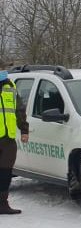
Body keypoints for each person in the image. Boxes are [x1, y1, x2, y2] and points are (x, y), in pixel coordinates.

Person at [0, 61, 30, 215]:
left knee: (6, 172)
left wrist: (24, 130)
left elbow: (19, 109)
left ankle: (3, 203)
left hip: (8, 139)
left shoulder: (10, 85)